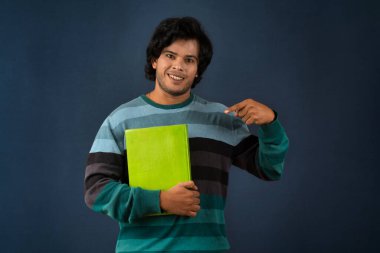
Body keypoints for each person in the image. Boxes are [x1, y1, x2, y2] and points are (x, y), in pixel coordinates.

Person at [84, 16, 289, 253]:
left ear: (197, 70)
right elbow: (95, 190)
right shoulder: (120, 120)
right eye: (170, 55)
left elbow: (270, 169)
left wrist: (271, 123)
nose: (178, 66)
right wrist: (160, 200)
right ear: (154, 60)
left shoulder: (221, 119)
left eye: (189, 60)